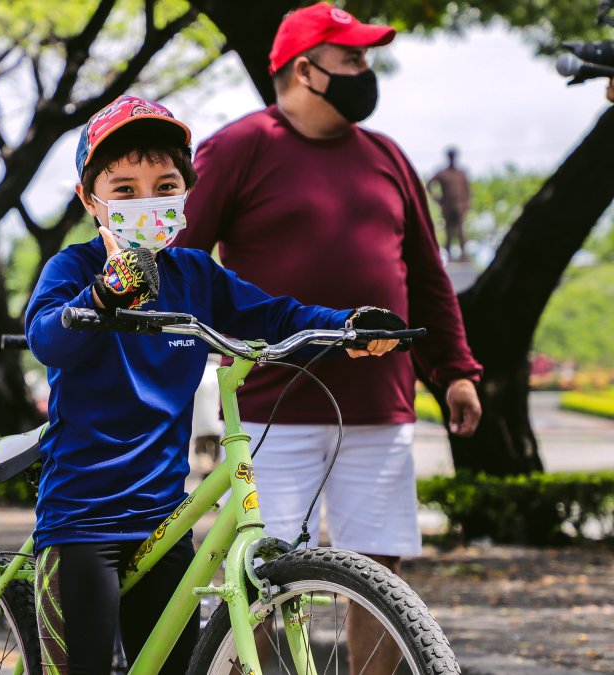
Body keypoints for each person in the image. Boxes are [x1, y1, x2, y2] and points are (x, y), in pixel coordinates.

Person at [25, 94, 406, 675]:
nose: (146, 201)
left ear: (186, 193)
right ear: (89, 198)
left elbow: (276, 315)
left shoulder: (195, 274)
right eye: (124, 190)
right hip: (83, 521)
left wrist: (347, 326)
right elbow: (47, 336)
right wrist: (104, 294)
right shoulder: (73, 270)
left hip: (163, 521)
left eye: (164, 184)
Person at [174, 4, 484, 673]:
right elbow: (180, 259)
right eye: (353, 60)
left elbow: (427, 274)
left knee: (381, 570)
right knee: (261, 572)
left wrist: (454, 369)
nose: (365, 73)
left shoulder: (386, 156)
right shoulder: (239, 147)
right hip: (269, 402)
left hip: (379, 402)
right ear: (306, 70)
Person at [427, 147, 472, 261]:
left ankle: (463, 256)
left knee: (461, 231)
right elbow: (430, 184)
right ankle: (449, 256)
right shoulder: (443, 173)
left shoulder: (461, 173)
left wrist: (467, 202)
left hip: (460, 207)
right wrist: (437, 199)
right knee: (449, 232)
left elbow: (467, 189)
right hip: (447, 206)